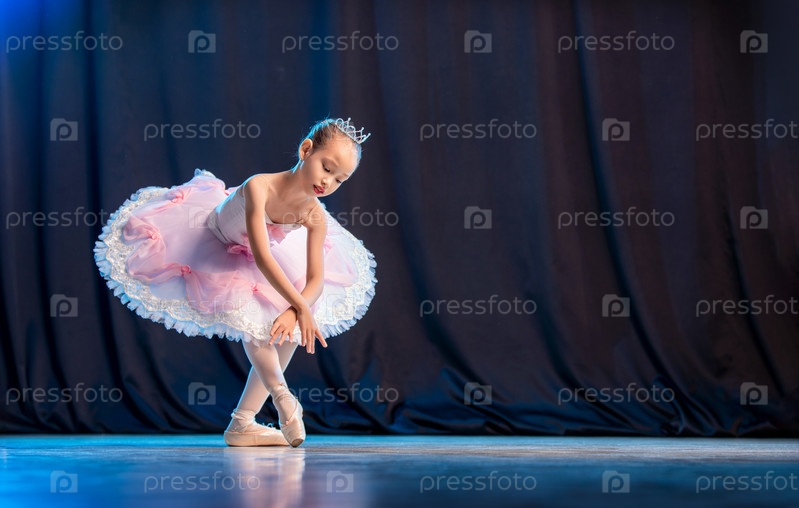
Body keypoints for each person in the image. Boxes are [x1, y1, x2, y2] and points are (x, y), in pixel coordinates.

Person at [94, 117, 376, 447]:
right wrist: (299, 306)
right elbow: (262, 256)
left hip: (262, 257)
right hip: (216, 242)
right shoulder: (260, 187)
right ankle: (283, 398)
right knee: (254, 318)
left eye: (340, 179)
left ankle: (243, 422)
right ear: (306, 150)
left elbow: (316, 279)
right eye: (327, 168)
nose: (328, 182)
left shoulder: (315, 215)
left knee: (286, 328)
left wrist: (295, 311)